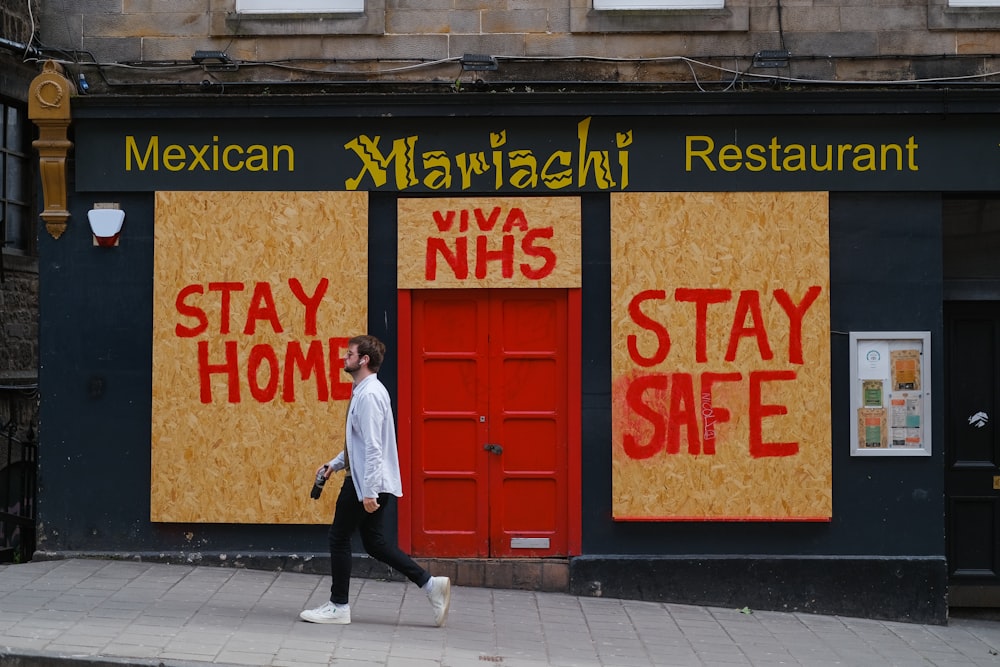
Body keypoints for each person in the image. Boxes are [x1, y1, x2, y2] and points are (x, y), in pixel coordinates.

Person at [300, 334, 451, 627]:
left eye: (350, 354)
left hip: (365, 484)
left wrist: (367, 492)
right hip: (372, 481)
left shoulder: (369, 395)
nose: (345, 358)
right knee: (375, 543)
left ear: (364, 360)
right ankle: (431, 585)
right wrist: (335, 463)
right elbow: (358, 443)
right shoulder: (366, 391)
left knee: (339, 537)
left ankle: (338, 606)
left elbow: (372, 448)